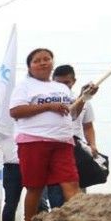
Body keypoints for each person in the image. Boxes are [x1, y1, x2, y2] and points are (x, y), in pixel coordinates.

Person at [8, 48, 94, 221]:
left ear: (52, 63)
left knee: (71, 183)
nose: (42, 62)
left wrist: (85, 98)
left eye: (46, 59)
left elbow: (72, 113)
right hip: (34, 141)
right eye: (37, 60)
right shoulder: (24, 86)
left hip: (63, 141)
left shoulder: (62, 88)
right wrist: (48, 106)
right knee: (35, 187)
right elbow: (15, 111)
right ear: (29, 66)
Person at [46, 64, 101, 208]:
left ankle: (76, 220)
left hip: (75, 147)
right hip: (53, 146)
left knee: (77, 186)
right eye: (59, 83)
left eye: (67, 83)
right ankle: (57, 218)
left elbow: (87, 126)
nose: (63, 86)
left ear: (73, 81)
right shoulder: (46, 100)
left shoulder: (84, 102)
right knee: (55, 189)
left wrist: (92, 144)